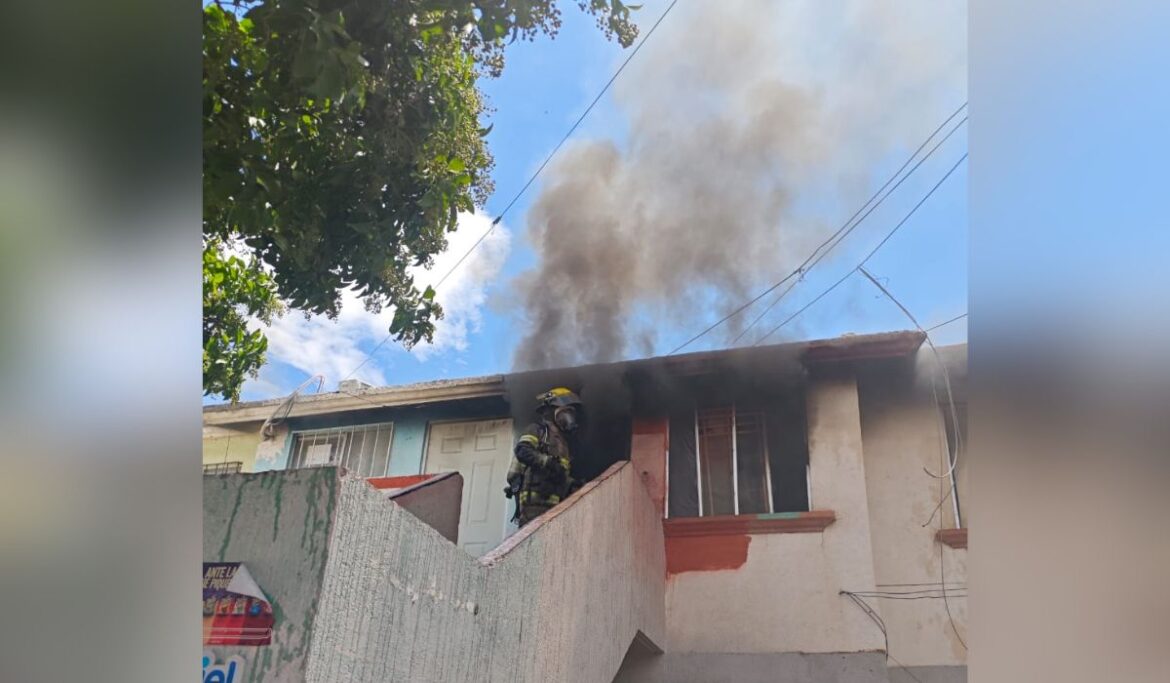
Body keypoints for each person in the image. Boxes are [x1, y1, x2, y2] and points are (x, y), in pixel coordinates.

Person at [505, 387, 582, 527]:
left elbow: (560, 474)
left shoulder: (563, 444)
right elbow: (522, 450)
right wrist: (547, 462)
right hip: (533, 508)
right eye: (565, 413)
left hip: (555, 508)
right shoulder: (538, 431)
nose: (569, 419)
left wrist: (573, 484)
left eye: (571, 414)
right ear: (552, 412)